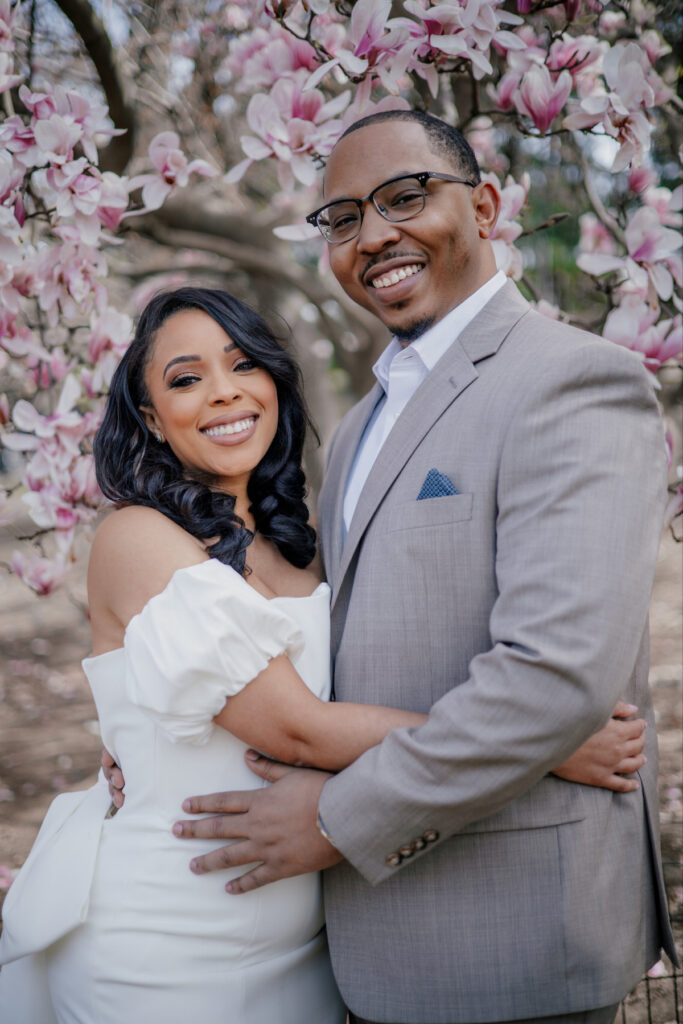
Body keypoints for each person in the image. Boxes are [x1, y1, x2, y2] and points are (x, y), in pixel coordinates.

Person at [0, 287, 647, 1024]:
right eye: (185, 379)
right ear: (150, 417)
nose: (223, 392)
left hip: (313, 952)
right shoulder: (137, 538)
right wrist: (546, 746)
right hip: (168, 941)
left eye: (243, 365)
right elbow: (297, 728)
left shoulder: (303, 539)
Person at [168, 112, 678, 1024]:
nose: (372, 237)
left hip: (511, 928)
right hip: (362, 942)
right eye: (340, 218)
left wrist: (336, 818)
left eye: (404, 198)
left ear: (483, 205)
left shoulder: (571, 381)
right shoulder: (363, 421)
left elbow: (554, 678)